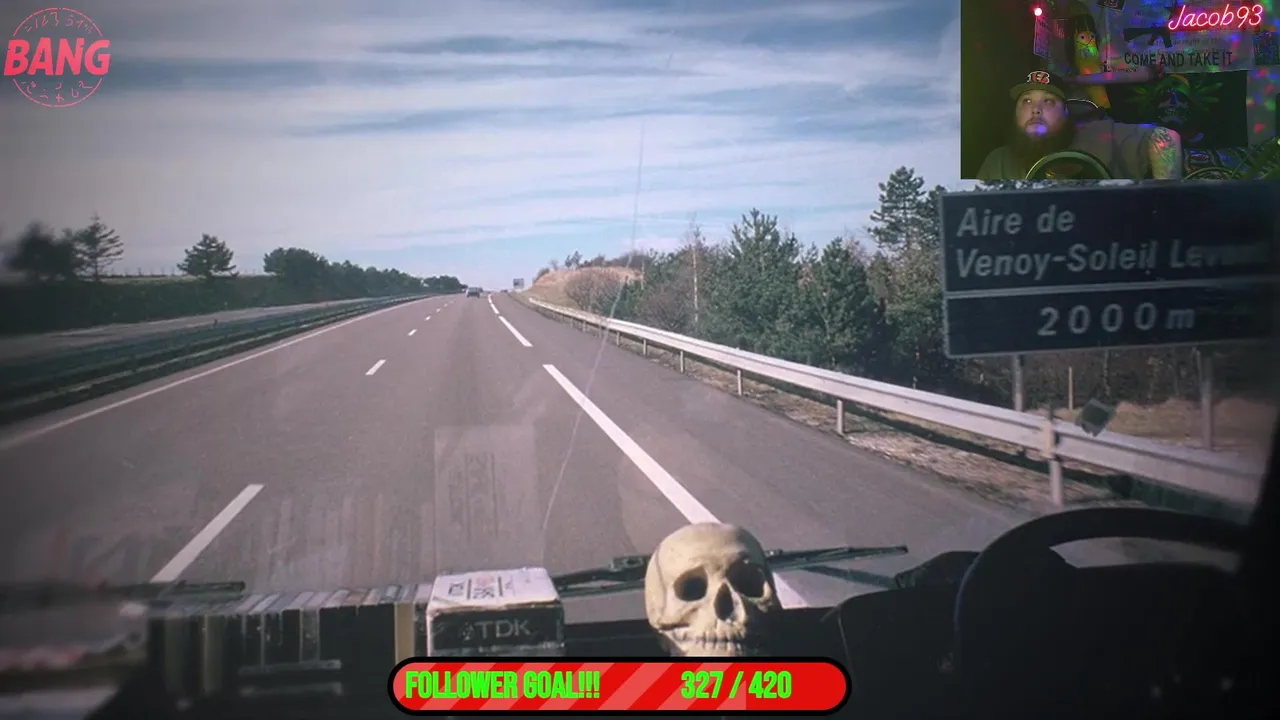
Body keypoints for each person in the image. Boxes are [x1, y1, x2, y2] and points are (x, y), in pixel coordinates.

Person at [976, 70, 1183, 181]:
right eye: (1026, 101)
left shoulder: (1102, 135)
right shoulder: (997, 162)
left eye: (1048, 101)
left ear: (1066, 111)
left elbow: (1166, 137)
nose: (1036, 109)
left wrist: (1163, 206)